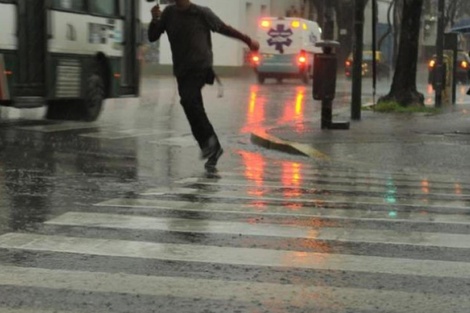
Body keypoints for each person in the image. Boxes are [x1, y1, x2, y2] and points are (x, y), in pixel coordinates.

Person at [148, 0, 260, 171]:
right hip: (182, 70)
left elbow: (224, 28)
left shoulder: (202, 13)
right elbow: (153, 36)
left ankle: (211, 144)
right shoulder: (169, 14)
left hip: (200, 66)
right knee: (191, 106)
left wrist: (248, 41)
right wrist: (155, 19)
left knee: (189, 100)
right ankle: (212, 148)